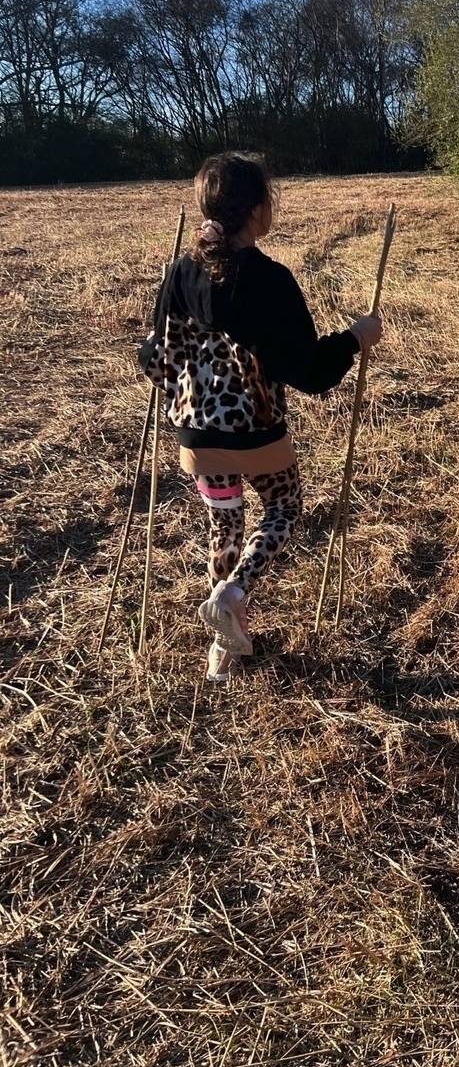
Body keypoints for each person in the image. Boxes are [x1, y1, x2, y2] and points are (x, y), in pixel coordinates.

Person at [138, 152, 382, 681]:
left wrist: (190, 393)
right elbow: (311, 371)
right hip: (258, 432)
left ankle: (221, 652)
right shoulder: (270, 279)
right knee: (285, 507)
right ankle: (236, 592)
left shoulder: (179, 273)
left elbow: (156, 357)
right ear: (254, 209)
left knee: (223, 528)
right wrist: (356, 338)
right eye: (269, 198)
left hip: (197, 435)